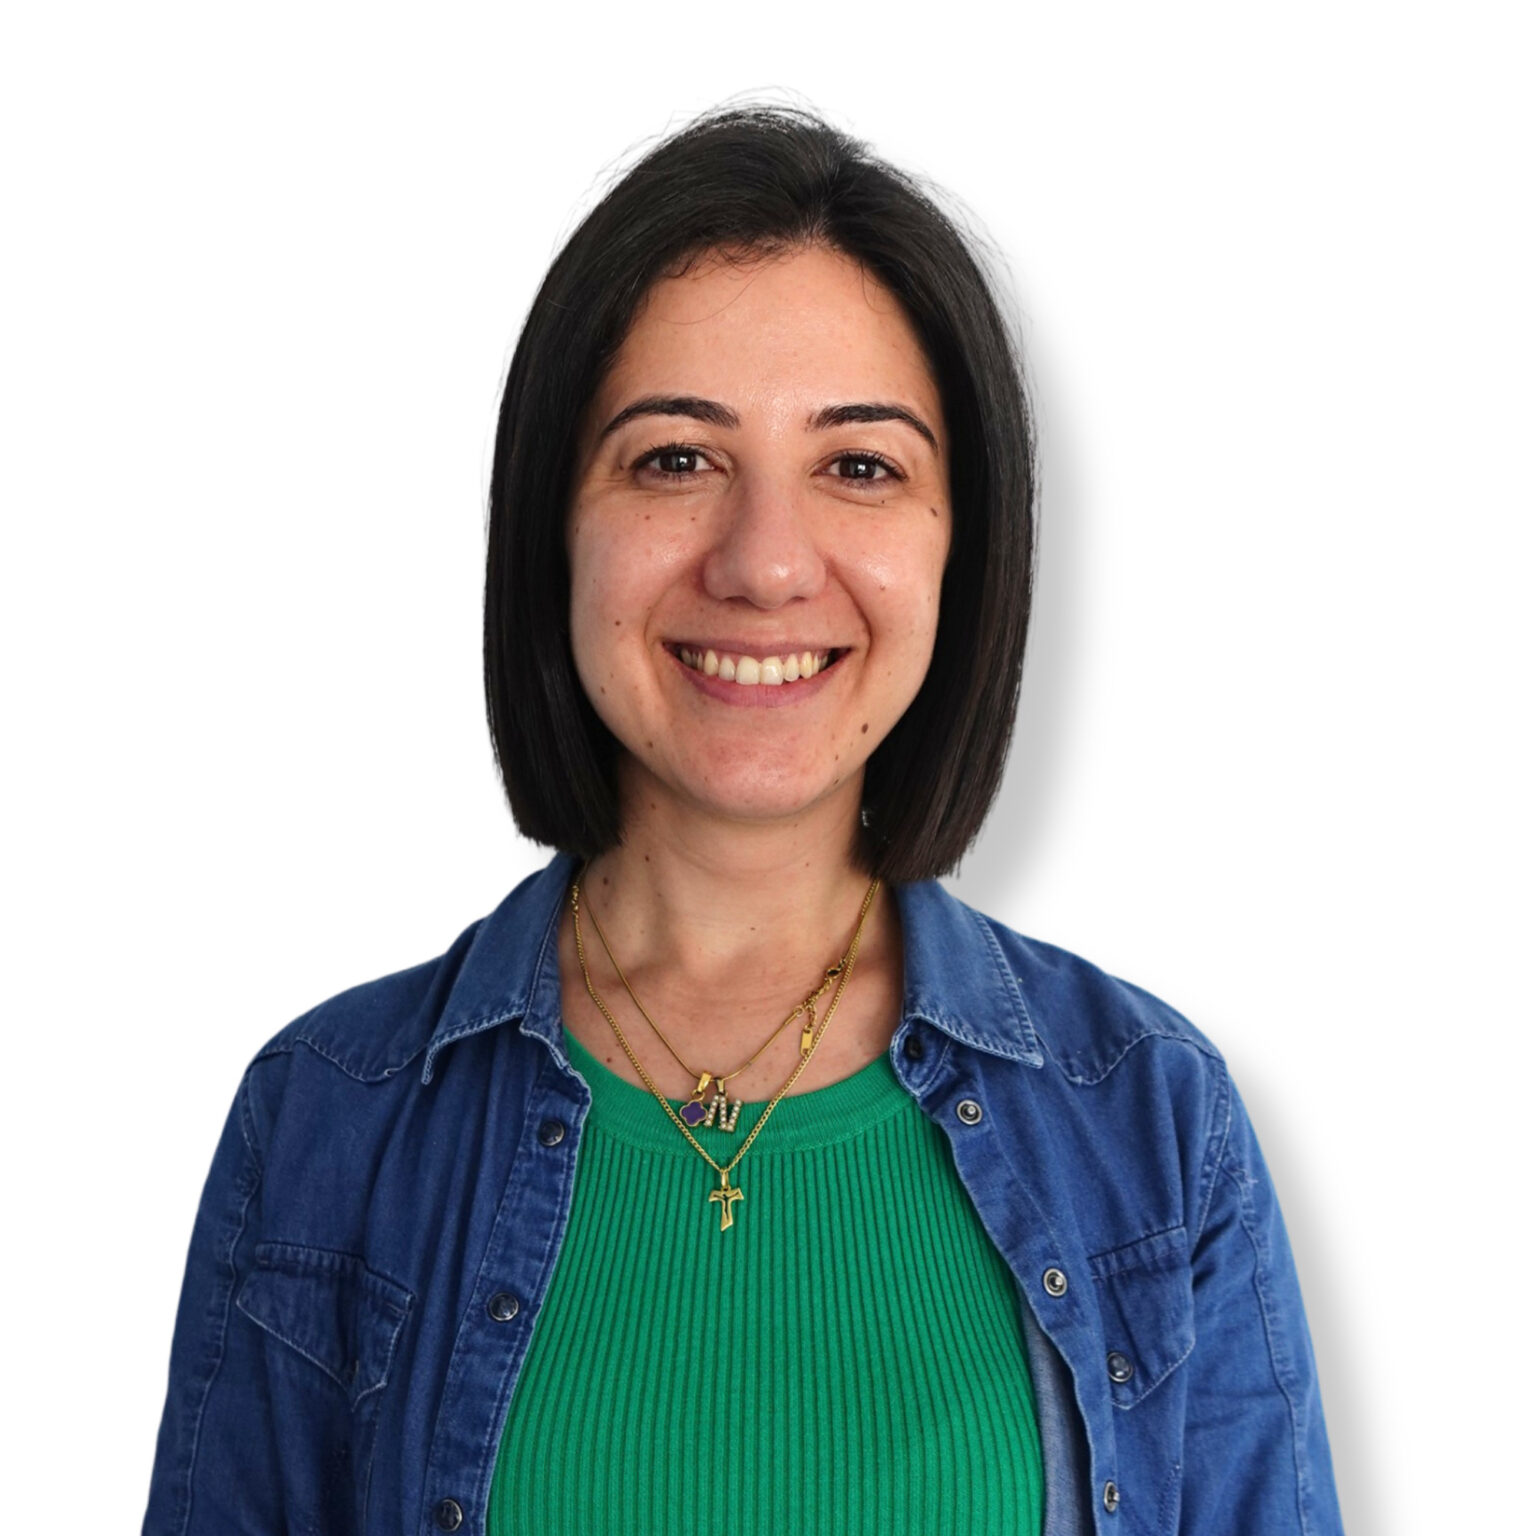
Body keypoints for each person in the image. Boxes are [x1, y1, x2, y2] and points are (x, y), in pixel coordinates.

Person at [143, 106, 1343, 1536]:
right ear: (554, 525)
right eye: (673, 459)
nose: (766, 561)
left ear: (966, 547)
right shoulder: (327, 1118)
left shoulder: (1151, 1120)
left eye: (859, 466)